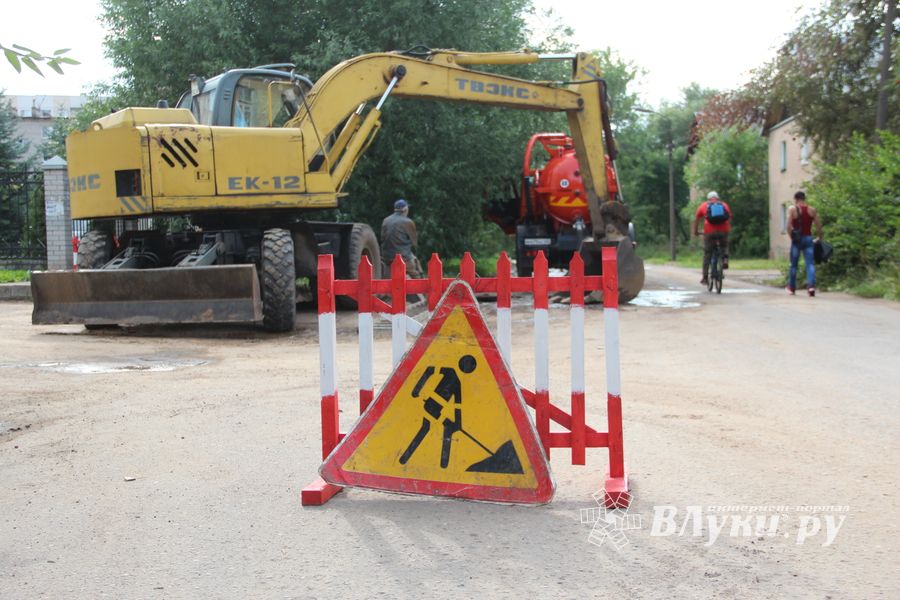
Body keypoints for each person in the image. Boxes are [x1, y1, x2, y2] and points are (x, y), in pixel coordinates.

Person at [786, 191, 824, 297]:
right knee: (810, 264)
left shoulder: (792, 209)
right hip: (808, 238)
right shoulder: (812, 210)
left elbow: (788, 226)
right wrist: (819, 237)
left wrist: (792, 237)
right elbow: (819, 226)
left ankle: (791, 288)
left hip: (797, 240)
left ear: (796, 199)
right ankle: (811, 286)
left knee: (793, 264)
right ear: (804, 199)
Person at [692, 191, 732, 285]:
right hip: (723, 231)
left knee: (707, 254)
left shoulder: (704, 206)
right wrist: (727, 230)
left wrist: (696, 232)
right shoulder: (724, 205)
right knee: (724, 246)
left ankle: (705, 278)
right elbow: (729, 218)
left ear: (708, 198)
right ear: (718, 197)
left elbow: (696, 219)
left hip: (709, 232)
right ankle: (725, 259)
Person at [381, 199, 423, 278]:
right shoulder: (408, 222)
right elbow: (415, 244)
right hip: (404, 258)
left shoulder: (385, 220)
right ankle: (420, 282)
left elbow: (383, 238)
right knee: (417, 272)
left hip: (387, 258)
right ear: (405, 209)